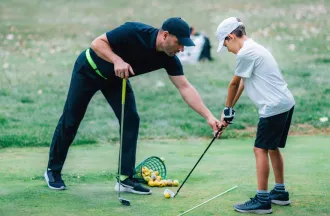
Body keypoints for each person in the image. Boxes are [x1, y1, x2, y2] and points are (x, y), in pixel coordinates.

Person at [44, 17, 221, 195]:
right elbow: (97, 43)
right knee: (71, 119)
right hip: (88, 70)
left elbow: (185, 87)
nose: (182, 49)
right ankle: (53, 171)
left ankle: (125, 179)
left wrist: (209, 117)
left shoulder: (169, 58)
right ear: (165, 35)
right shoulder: (134, 31)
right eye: (179, 43)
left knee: (130, 119)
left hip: (116, 79)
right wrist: (116, 60)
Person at [216, 17, 295, 214]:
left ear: (231, 36)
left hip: (273, 107)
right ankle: (280, 192)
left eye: (226, 44)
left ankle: (262, 200)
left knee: (259, 149)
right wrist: (230, 110)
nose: (227, 49)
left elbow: (233, 84)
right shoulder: (255, 48)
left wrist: (226, 111)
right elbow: (243, 81)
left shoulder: (246, 53)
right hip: (285, 103)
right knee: (272, 147)